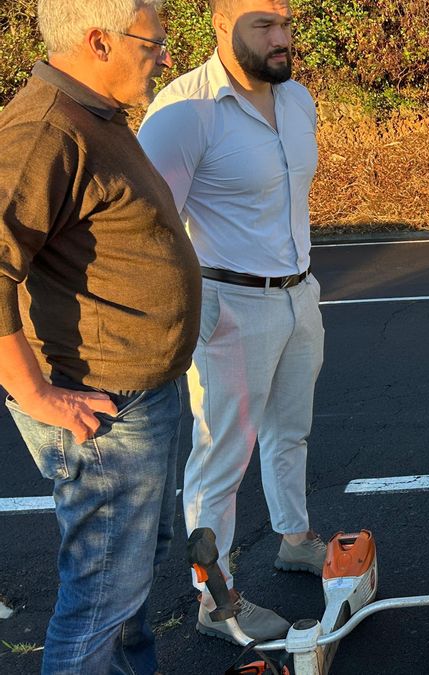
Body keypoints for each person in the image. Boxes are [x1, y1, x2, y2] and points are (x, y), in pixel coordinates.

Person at [0, 1, 200, 671]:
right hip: (103, 404)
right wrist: (36, 393)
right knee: (102, 596)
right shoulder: (45, 130)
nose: (165, 56)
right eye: (154, 43)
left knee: (132, 572)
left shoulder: (96, 117)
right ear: (98, 41)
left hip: (141, 393)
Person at [138, 0, 324, 642]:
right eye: (262, 25)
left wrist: (302, 283)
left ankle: (295, 539)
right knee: (222, 455)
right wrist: (195, 310)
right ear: (221, 25)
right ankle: (212, 602)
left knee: (290, 430)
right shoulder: (182, 113)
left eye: (286, 24)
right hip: (229, 306)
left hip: (301, 294)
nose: (281, 38)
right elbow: (148, 227)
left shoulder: (297, 99)